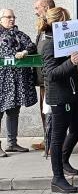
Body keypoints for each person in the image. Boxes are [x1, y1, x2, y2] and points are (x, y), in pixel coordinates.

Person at [40, 7, 78, 193]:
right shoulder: (48, 44)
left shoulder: (62, 40)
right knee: (57, 139)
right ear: (58, 22)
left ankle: (64, 160)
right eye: (67, 19)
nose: (70, 22)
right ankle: (57, 178)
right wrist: (70, 62)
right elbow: (50, 74)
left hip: (72, 94)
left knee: (77, 128)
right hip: (60, 97)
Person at [0, 9, 37, 157]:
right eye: (8, 17)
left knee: (14, 111)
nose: (12, 19)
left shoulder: (19, 34)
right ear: (1, 19)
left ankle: (12, 143)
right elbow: (4, 52)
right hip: (2, 80)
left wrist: (26, 52)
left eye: (13, 16)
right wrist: (14, 54)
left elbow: (32, 45)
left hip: (17, 82)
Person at [32, 0, 55, 151]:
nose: (35, 12)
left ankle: (53, 142)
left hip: (51, 78)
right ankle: (47, 139)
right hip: (42, 79)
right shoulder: (43, 26)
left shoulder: (55, 26)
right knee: (44, 111)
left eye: (37, 8)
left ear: (46, 7)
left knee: (50, 111)